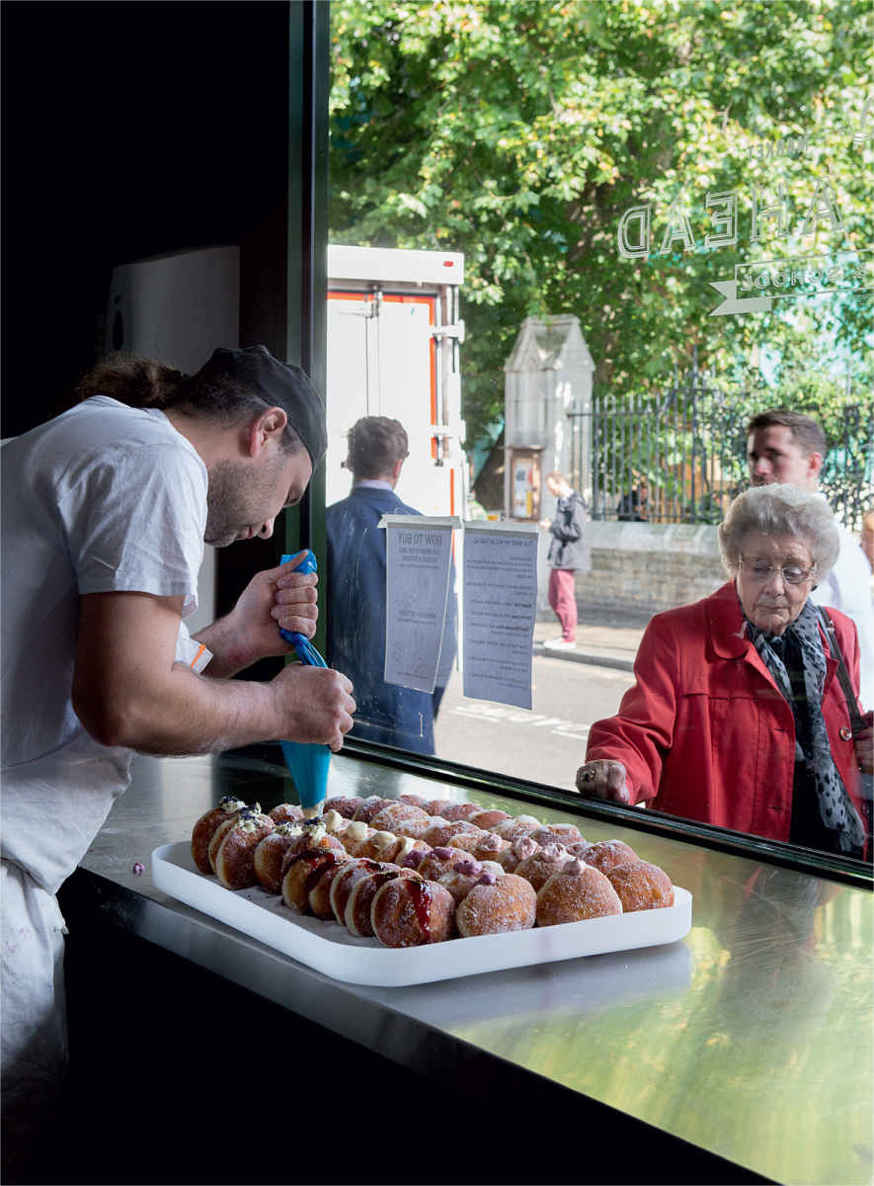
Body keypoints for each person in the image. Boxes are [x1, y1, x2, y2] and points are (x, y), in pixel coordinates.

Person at [1, 345, 356, 1178]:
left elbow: (100, 670)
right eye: (289, 494)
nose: (270, 526)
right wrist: (282, 706)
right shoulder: (155, 461)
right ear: (265, 431)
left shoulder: (96, 436)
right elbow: (124, 703)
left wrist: (234, 643)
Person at [576, 484, 872, 857]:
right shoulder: (677, 635)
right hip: (725, 870)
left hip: (827, 864)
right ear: (736, 563)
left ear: (815, 574)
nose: (775, 587)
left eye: (794, 571)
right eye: (760, 567)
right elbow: (640, 730)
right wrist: (617, 769)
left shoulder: (838, 634)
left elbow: (845, 727)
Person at [326, 416, 456, 755]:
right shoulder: (429, 533)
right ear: (398, 466)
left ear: (351, 461)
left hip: (338, 717)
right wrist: (425, 709)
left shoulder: (324, 526)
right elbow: (444, 639)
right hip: (408, 719)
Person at [746, 408, 874, 708]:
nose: (760, 469)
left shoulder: (829, 547)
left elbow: (848, 659)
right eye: (754, 457)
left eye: (774, 455)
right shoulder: (765, 540)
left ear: (813, 464)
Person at [539, 471, 589, 650]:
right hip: (560, 557)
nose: (550, 491)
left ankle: (569, 638)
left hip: (568, 556)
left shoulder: (575, 503)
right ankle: (565, 633)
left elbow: (576, 531)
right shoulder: (564, 502)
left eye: (551, 488)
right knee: (553, 597)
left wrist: (552, 527)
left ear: (560, 484)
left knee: (565, 598)